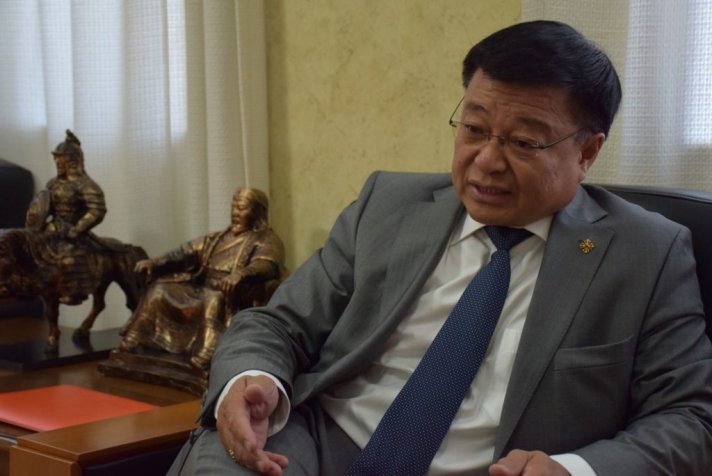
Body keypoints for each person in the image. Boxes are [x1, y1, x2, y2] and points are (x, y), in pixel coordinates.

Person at [169, 21, 712, 475]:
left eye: (523, 142)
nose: (486, 161)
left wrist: (573, 470)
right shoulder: (389, 204)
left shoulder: (647, 253)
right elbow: (279, 325)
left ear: (587, 152)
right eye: (474, 128)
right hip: (310, 449)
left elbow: (688, 418)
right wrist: (253, 379)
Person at [119, 187, 286, 369]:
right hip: (202, 286)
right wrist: (154, 262)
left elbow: (267, 264)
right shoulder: (216, 238)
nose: (235, 213)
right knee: (159, 290)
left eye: (242, 208)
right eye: (233, 207)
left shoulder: (267, 240)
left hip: (234, 294)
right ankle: (139, 336)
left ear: (257, 211)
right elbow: (183, 253)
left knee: (213, 299)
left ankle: (210, 348)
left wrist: (240, 274)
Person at [31, 130, 107, 304]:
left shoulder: (86, 185)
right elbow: (44, 206)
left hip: (73, 232)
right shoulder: (53, 183)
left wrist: (77, 229)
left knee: (70, 256)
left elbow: (97, 210)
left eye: (61, 158)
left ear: (72, 161)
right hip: (52, 229)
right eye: (56, 158)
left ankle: (75, 291)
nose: (58, 162)